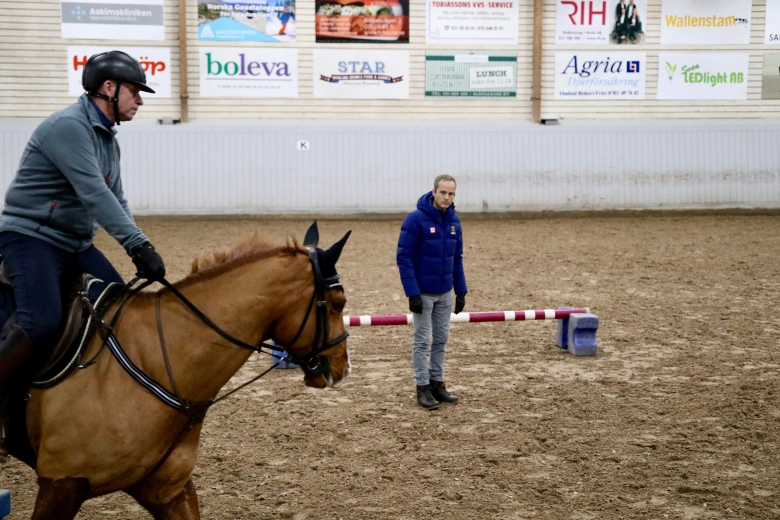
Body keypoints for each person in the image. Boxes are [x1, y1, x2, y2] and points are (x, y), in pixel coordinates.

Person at [0, 50, 166, 458]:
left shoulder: (107, 136)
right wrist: (136, 244)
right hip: (30, 238)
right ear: (109, 88)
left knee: (121, 308)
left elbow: (116, 198)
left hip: (74, 245)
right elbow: (94, 194)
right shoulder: (68, 128)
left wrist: (142, 245)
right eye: (135, 91)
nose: (140, 100)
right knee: (41, 322)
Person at [396, 175, 467, 410]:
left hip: (445, 293)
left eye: (451, 193)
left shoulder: (455, 221)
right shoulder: (415, 220)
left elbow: (456, 259)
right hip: (423, 294)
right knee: (422, 340)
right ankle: (422, 388)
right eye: (443, 192)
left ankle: (437, 383)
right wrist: (412, 293)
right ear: (433, 192)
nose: (447, 197)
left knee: (441, 339)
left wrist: (461, 291)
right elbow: (404, 257)